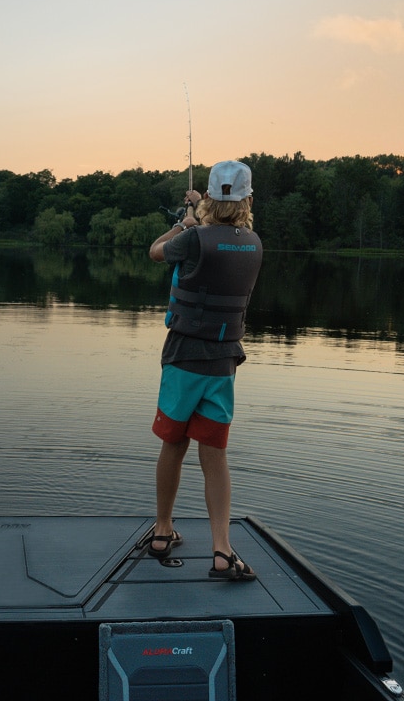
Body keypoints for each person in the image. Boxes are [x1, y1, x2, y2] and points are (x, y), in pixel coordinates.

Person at [143, 160, 263, 581]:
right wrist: (202, 213)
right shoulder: (253, 243)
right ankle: (222, 551)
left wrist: (183, 224)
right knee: (215, 456)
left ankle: (162, 532)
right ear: (248, 199)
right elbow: (223, 235)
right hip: (224, 363)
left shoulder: (191, 239)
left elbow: (157, 252)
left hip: (182, 359)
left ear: (209, 196)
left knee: (173, 446)